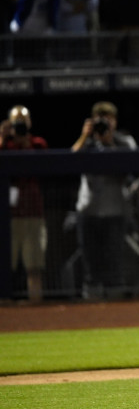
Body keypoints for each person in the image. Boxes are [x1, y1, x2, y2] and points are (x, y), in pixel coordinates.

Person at [71, 101, 138, 299]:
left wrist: (109, 143)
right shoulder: (88, 143)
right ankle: (92, 305)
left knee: (114, 259)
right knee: (90, 260)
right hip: (88, 209)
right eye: (100, 120)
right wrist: (85, 135)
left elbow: (131, 166)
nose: (104, 124)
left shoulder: (124, 141)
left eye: (108, 119)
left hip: (115, 210)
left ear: (115, 122)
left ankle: (116, 306)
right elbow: (70, 159)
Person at [0, 105, 48, 303]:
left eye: (23, 120)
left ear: (29, 123)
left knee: (33, 266)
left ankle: (35, 306)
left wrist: (25, 141)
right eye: (16, 120)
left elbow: (44, 164)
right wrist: (2, 137)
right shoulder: (6, 145)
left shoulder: (37, 143)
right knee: (4, 266)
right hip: (7, 215)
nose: (20, 124)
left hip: (32, 211)